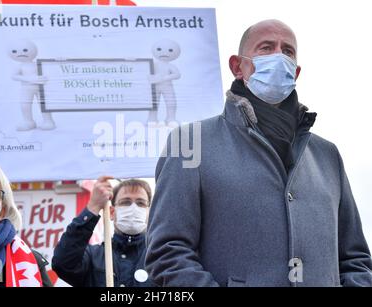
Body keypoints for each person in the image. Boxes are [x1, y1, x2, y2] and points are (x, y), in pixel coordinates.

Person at [145, 19, 372, 287]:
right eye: (266, 48)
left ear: (296, 72)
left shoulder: (326, 155)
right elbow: (168, 252)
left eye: (287, 51)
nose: (279, 56)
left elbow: (355, 260)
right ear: (237, 66)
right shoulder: (190, 142)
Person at [52, 177, 155, 287]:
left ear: (150, 212)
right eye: (125, 202)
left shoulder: (159, 257)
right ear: (111, 212)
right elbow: (62, 263)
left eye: (141, 203)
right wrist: (93, 207)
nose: (133, 208)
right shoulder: (93, 256)